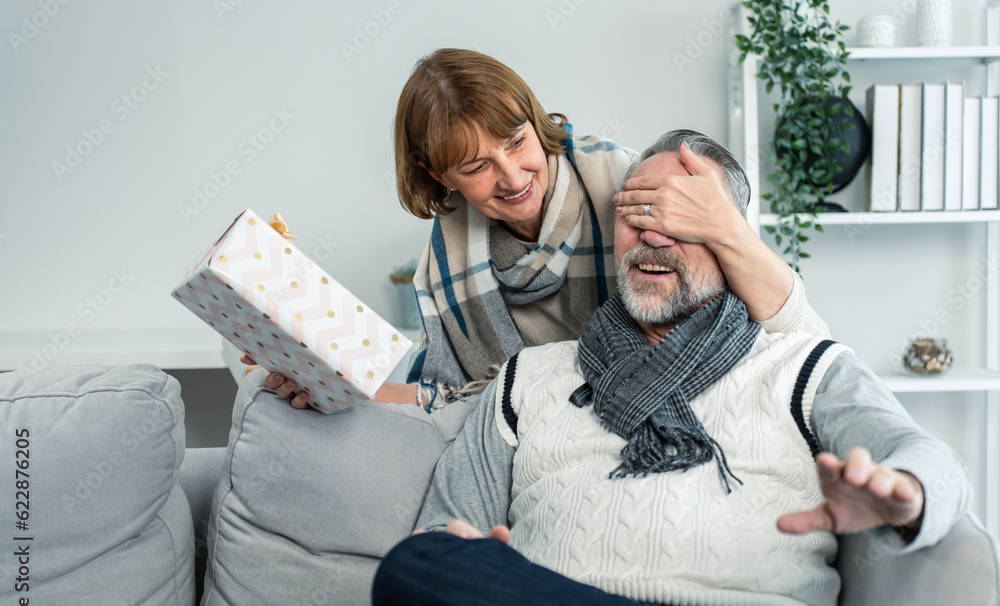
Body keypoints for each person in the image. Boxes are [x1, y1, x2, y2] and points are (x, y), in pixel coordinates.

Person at [369, 130, 973, 606]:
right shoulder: (527, 378)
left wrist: (907, 496)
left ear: (732, 236)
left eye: (684, 215)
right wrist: (491, 573)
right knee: (414, 573)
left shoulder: (802, 363)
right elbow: (437, 539)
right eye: (637, 211)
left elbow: (932, 463)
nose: (654, 232)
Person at [253, 48, 828, 412]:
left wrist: (728, 226)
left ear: (535, 117)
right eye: (476, 168)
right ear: (439, 177)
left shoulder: (628, 185)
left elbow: (781, 329)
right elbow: (457, 403)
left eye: (517, 141)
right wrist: (343, 392)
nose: (511, 177)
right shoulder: (447, 259)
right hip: (534, 431)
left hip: (659, 398)